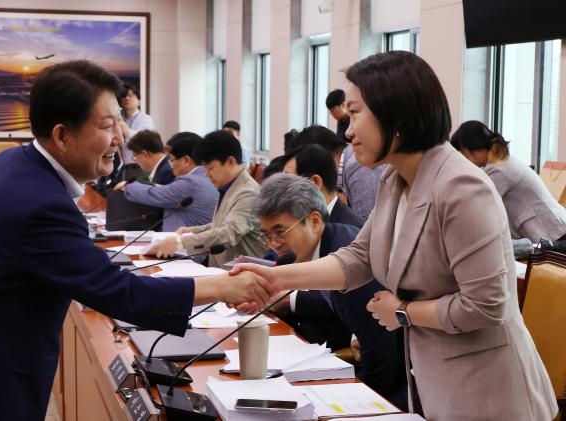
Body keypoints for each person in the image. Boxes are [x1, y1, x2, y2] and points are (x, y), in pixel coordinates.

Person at [0, 60, 273, 420]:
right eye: (108, 125)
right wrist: (222, 288)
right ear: (62, 135)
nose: (121, 139)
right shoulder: (41, 204)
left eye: (120, 122)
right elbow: (118, 292)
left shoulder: (12, 163)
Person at [232, 51, 557, 420]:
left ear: (396, 114)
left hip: (487, 393)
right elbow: (360, 258)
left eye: (355, 114)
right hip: (436, 383)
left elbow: (486, 305)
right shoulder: (395, 179)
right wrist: (276, 278)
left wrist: (403, 312)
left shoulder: (462, 188)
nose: (348, 131)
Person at [254, 173, 407, 406]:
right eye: (266, 235)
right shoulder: (323, 249)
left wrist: (356, 407)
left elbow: (382, 358)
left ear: (315, 221)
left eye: (280, 232)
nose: (273, 243)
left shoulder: (346, 261)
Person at [150, 130, 266, 267]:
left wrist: (181, 243)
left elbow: (229, 233)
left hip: (242, 276)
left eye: (210, 168)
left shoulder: (248, 193)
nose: (207, 174)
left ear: (230, 161)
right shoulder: (230, 186)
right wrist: (193, 231)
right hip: (221, 272)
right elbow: (221, 224)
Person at [451, 120, 566, 243]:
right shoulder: (499, 162)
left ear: (475, 148)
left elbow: (476, 205)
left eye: (464, 153)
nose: (465, 159)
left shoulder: (499, 170)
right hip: (553, 230)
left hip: (556, 232)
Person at [117, 132, 219, 232]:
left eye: (171, 159)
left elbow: (155, 195)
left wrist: (127, 186)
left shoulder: (190, 182)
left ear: (186, 160)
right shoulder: (205, 177)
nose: (170, 165)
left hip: (184, 246)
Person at [284, 144, 365, 227]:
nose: (280, 188)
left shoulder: (354, 231)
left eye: (287, 180)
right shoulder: (297, 224)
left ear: (315, 182)